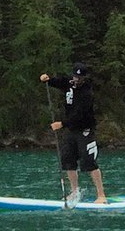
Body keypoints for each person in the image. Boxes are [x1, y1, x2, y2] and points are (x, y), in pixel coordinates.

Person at [40, 64, 108, 204]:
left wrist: (62, 124)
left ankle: (101, 195)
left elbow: (80, 115)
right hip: (72, 130)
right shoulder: (69, 83)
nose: (76, 79)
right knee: (67, 159)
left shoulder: (86, 93)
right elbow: (59, 82)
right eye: (75, 76)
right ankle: (74, 192)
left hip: (85, 129)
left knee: (88, 161)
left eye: (79, 77)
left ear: (84, 78)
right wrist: (48, 79)